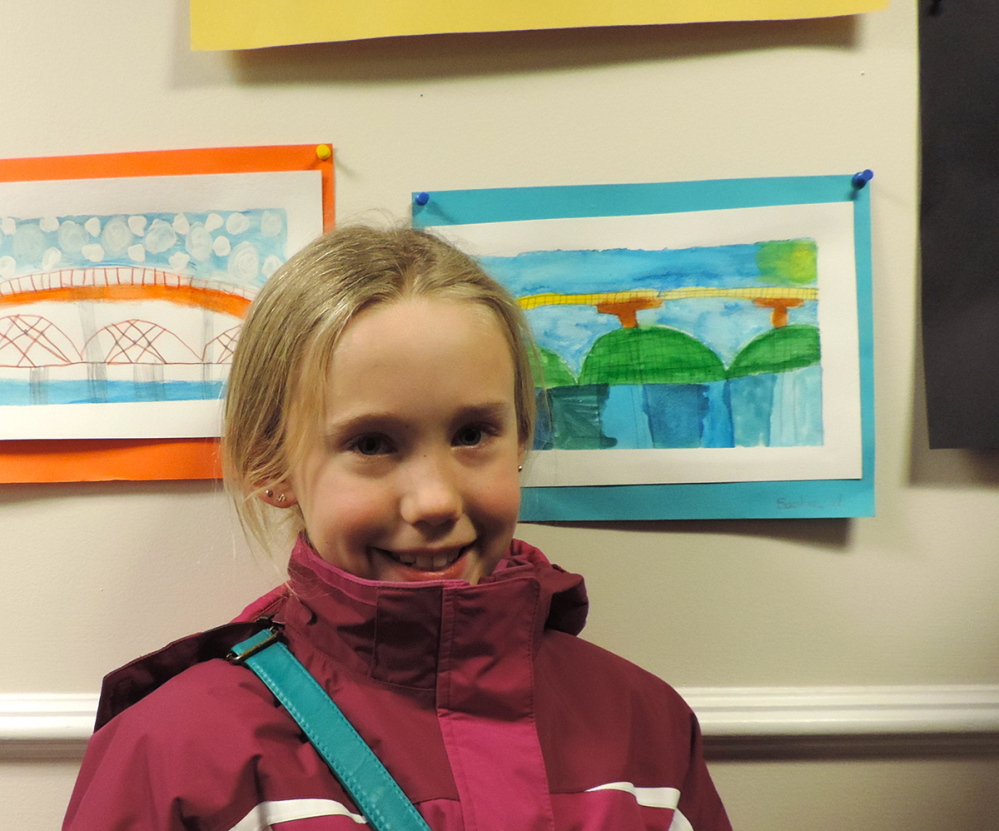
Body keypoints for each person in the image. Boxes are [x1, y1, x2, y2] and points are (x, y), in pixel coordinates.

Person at [63, 226, 732, 831]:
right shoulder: (177, 750)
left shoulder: (644, 724)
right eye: (372, 443)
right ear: (272, 465)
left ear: (521, 435)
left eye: (472, 434)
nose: (435, 500)